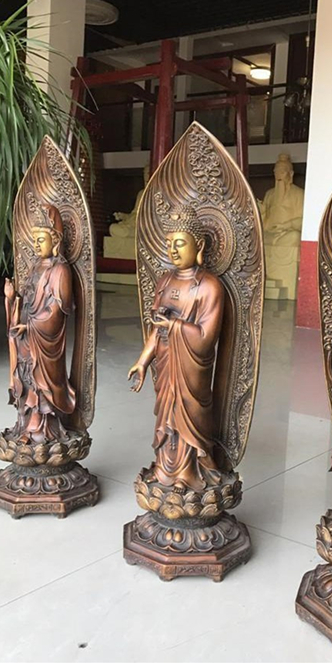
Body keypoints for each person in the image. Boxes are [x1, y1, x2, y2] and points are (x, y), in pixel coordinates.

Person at [128, 203, 224, 492]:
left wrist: (174, 326)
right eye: (169, 243)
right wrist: (143, 361)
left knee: (190, 417)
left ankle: (191, 472)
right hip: (167, 365)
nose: (173, 250)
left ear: (199, 245)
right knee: (166, 419)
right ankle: (165, 469)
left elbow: (206, 337)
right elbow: (157, 329)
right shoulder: (165, 280)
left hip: (192, 370)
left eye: (180, 243)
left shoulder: (209, 286)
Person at [4, 204, 75, 444]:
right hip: (27, 337)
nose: (37, 244)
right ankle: (26, 427)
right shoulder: (35, 267)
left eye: (41, 239)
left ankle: (44, 431)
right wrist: (11, 298)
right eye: (35, 240)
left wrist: (31, 326)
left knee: (41, 385)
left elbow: (57, 310)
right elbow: (26, 300)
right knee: (26, 380)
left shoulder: (61, 270)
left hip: (44, 341)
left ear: (54, 242)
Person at [262, 153, 304, 247]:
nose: (278, 175)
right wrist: (262, 212)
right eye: (276, 172)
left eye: (282, 172)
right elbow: (264, 223)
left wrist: (286, 225)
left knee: (295, 237)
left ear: (291, 174)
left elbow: (302, 220)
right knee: (256, 237)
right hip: (270, 233)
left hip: (286, 233)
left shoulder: (298, 193)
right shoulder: (269, 194)